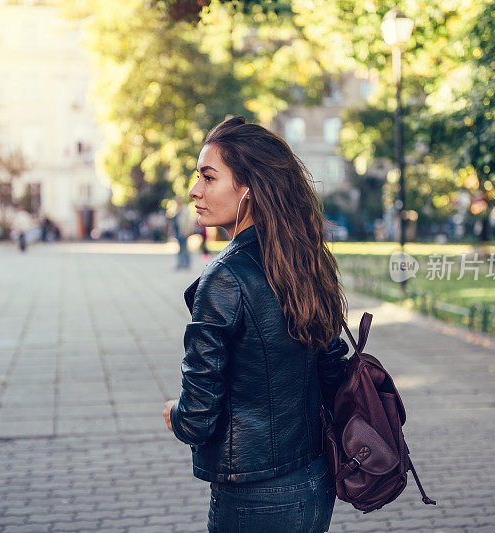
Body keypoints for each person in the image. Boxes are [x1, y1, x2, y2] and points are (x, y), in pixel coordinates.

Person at [162, 116, 351, 532]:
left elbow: (197, 416)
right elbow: (332, 368)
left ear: (248, 190)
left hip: (253, 492)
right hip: (315, 479)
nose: (195, 190)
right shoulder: (303, 260)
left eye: (208, 178)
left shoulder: (224, 278)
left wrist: (173, 415)